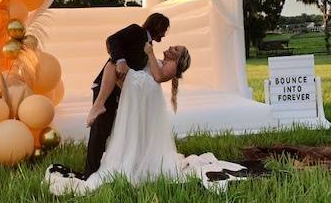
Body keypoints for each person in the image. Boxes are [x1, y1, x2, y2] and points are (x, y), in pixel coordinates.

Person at [45, 42, 247, 195]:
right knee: (114, 65)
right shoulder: (160, 62)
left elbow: (158, 77)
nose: (169, 47)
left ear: (178, 59)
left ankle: (99, 104)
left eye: (174, 49)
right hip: (140, 88)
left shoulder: (170, 68)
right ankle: (100, 102)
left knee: (113, 65)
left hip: (144, 91)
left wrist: (149, 53)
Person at [84, 13, 170, 179]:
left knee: (111, 130)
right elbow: (112, 40)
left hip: (122, 91)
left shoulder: (148, 45)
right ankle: (89, 174)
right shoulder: (136, 30)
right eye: (165, 29)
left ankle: (102, 170)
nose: (165, 34)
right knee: (100, 130)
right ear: (158, 26)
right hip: (107, 86)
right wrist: (121, 60)